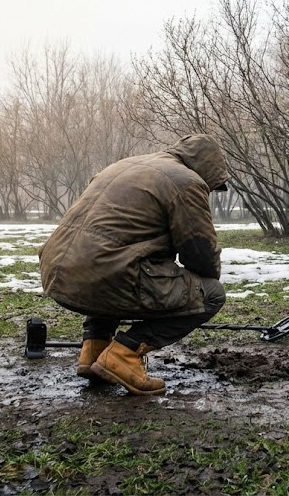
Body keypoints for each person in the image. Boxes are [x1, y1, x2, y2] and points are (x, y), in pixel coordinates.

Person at [38, 134, 228, 396]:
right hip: (109, 270)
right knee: (212, 294)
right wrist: (200, 287)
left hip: (57, 271)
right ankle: (123, 354)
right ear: (207, 168)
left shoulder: (123, 165)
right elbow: (199, 251)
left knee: (114, 264)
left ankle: (94, 348)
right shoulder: (187, 182)